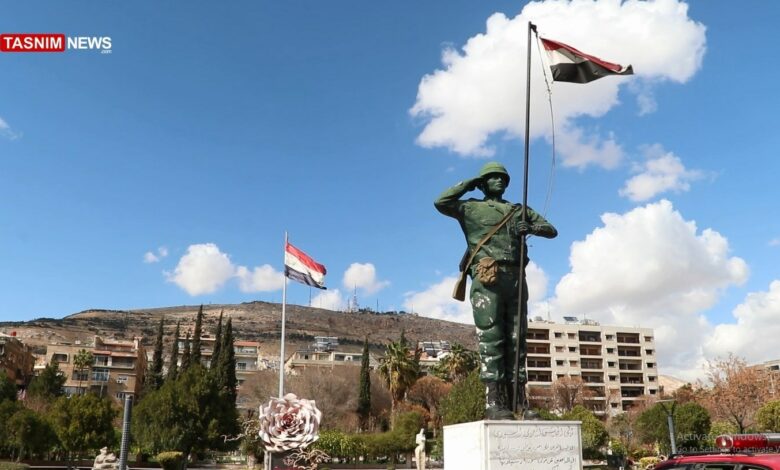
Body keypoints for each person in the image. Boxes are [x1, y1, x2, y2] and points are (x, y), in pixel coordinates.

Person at [435, 161, 557, 419]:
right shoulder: (470, 207)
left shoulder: (517, 210)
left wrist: (531, 227)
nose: (499, 181)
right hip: (488, 277)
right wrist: (470, 182)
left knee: (517, 340)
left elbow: (551, 230)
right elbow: (441, 202)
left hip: (516, 277)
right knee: (492, 338)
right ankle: (494, 403)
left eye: (503, 178)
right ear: (483, 183)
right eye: (492, 178)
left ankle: (519, 403)